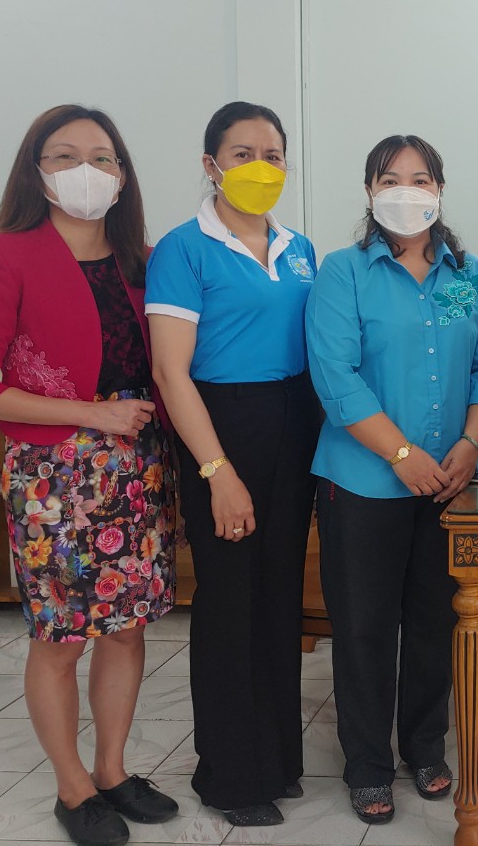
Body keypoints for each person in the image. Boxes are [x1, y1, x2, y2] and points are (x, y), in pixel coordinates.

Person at [0, 105, 179, 846]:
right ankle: (72, 786)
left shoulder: (144, 260)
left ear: (122, 173)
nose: (86, 169)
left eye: (102, 156)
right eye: (64, 155)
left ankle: (113, 770)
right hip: (55, 477)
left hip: (137, 470)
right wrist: (89, 413)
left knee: (125, 631)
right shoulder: (7, 254)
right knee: (61, 637)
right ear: (36, 170)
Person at [305, 134, 478, 824]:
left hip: (450, 481)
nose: (406, 190)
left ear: (440, 191)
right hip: (363, 482)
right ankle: (367, 765)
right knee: (364, 628)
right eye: (391, 178)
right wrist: (401, 455)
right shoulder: (343, 272)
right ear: (370, 191)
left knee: (435, 622)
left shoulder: (468, 275)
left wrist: (470, 445)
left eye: (421, 179)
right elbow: (336, 377)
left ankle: (425, 746)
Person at [146, 102, 321, 826]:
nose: (261, 166)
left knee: (279, 594)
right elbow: (170, 371)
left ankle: (276, 760)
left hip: (295, 422)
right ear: (211, 164)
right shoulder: (183, 249)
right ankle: (229, 775)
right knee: (228, 603)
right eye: (243, 153)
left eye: (273, 154)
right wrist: (217, 471)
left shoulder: (300, 248)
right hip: (222, 427)